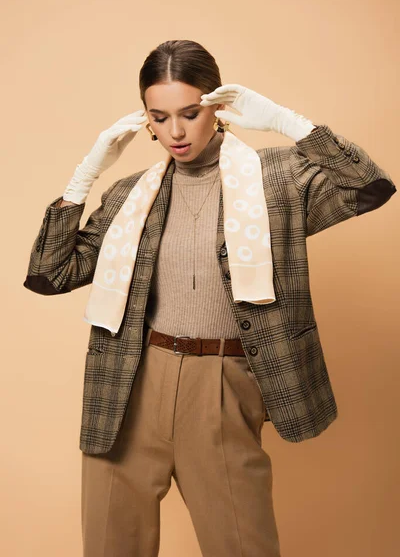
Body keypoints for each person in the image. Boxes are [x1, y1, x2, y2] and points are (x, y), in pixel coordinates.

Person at [23, 39, 397, 557]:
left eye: (190, 113)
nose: (174, 132)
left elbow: (370, 185)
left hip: (222, 387)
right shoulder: (131, 193)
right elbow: (50, 273)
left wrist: (288, 122)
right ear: (145, 119)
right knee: (112, 546)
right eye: (158, 117)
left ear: (217, 108)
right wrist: (84, 177)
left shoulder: (276, 179)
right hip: (131, 382)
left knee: (242, 546)